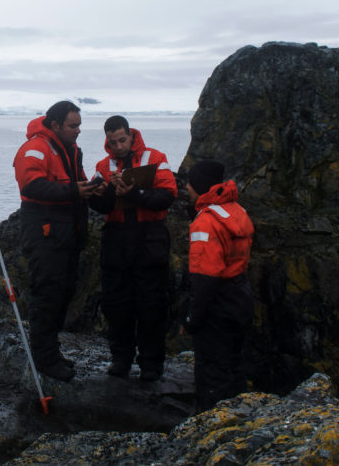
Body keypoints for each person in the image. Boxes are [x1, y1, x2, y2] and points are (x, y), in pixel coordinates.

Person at [13, 101, 103, 381]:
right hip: (45, 234)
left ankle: (51, 353)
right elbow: (31, 185)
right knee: (47, 296)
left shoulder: (70, 149)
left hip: (66, 234)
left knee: (62, 295)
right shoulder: (36, 148)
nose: (78, 131)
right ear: (55, 125)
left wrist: (94, 189)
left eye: (79, 125)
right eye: (73, 126)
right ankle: (44, 359)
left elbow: (75, 185)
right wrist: (74, 190)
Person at [88, 115, 177, 381]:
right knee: (116, 303)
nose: (118, 146)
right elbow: (99, 205)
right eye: (113, 141)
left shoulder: (155, 157)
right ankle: (121, 359)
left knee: (152, 304)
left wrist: (132, 193)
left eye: (122, 140)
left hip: (150, 238)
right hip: (116, 239)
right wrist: (102, 193)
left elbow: (167, 196)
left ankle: (151, 364)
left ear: (131, 135)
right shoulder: (103, 165)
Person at [182, 160, 254, 411]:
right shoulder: (235, 210)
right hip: (240, 296)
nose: (187, 188)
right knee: (235, 364)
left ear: (201, 186)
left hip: (217, 306)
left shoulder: (206, 223)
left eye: (190, 183)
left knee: (212, 371)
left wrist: (192, 319)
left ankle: (210, 424)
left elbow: (205, 279)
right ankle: (240, 419)